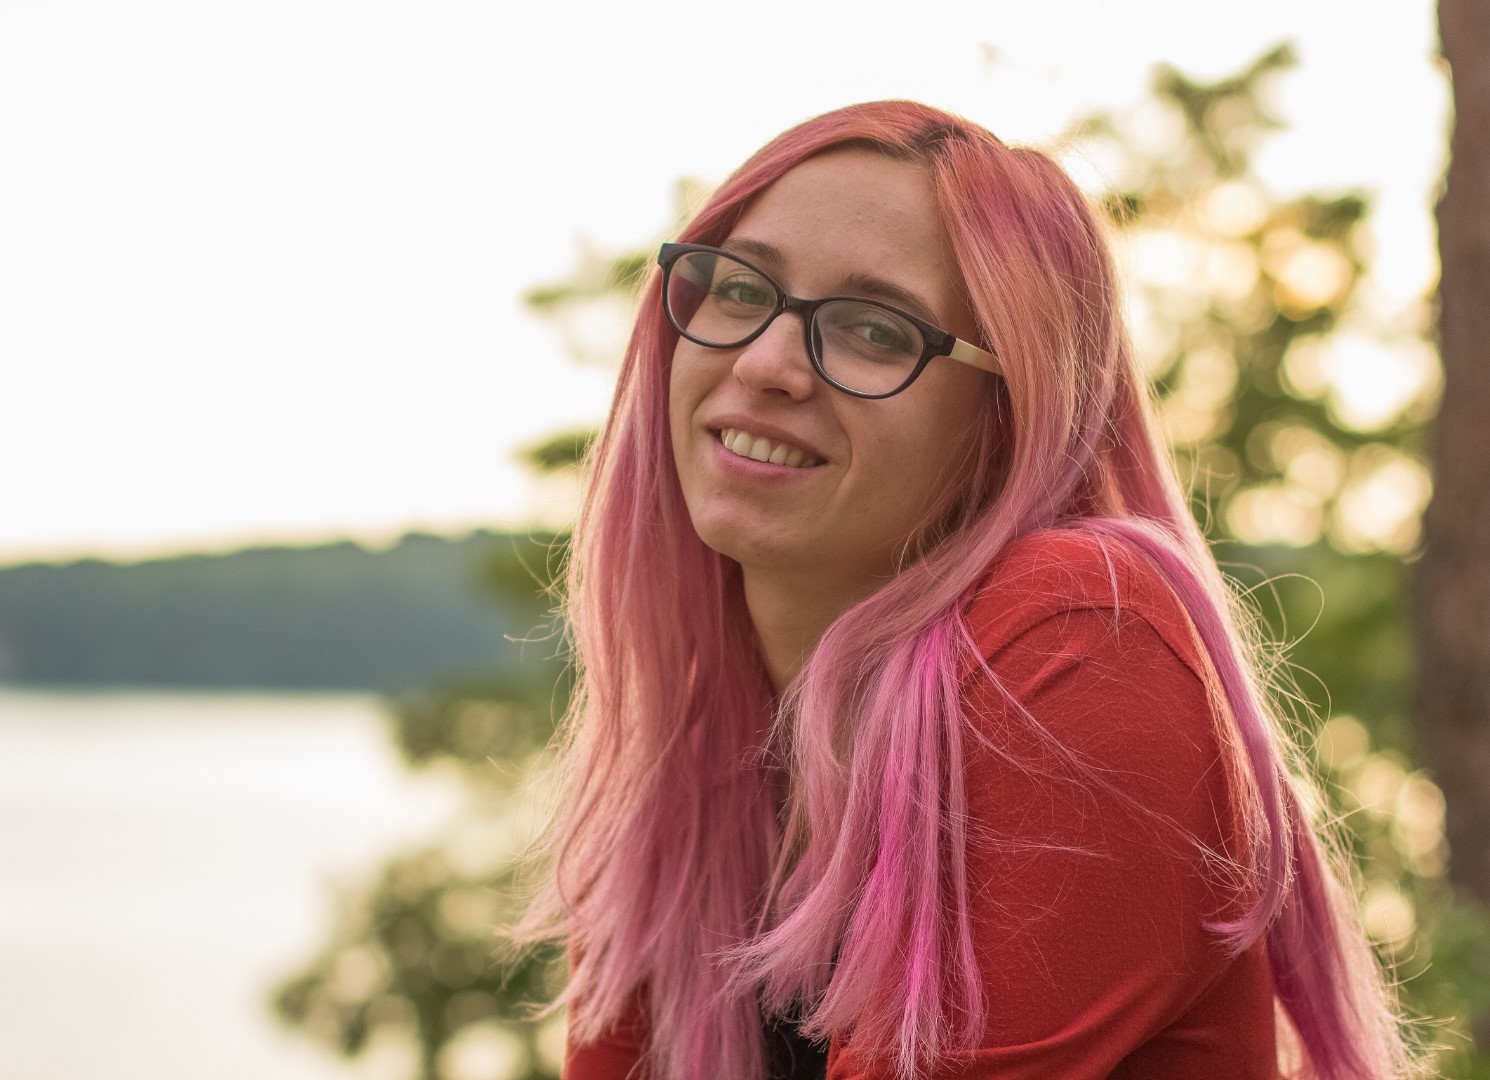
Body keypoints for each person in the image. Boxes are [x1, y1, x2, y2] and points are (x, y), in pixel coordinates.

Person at [511, 101, 1424, 1079]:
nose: (766, 364)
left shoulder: (1085, 636)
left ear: (1004, 416)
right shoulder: (697, 758)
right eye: (740, 290)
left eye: (872, 330)